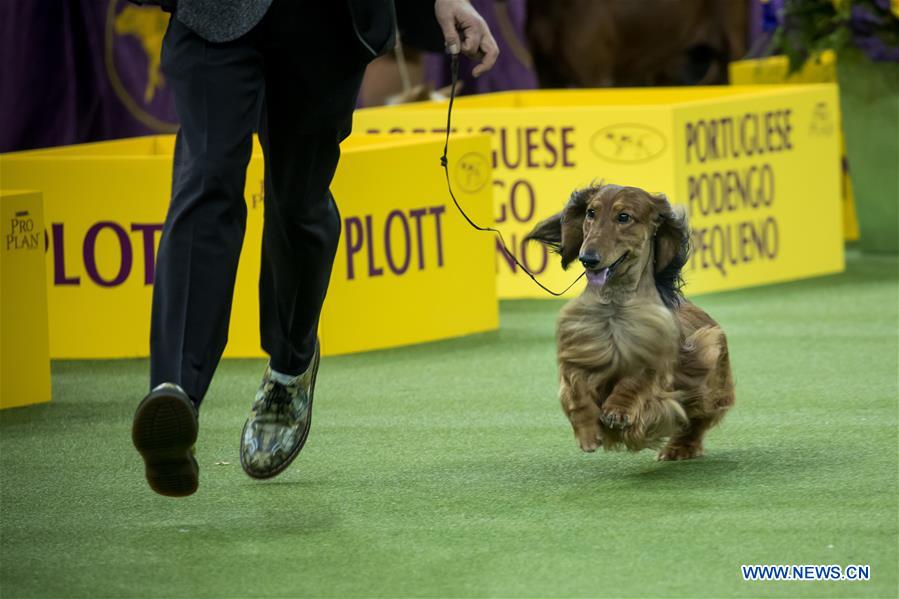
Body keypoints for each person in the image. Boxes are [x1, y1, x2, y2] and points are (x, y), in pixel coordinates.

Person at [131, 0, 498, 497]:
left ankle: (289, 366)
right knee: (206, 178)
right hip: (213, 13)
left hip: (326, 22)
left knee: (299, 204)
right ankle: (176, 395)